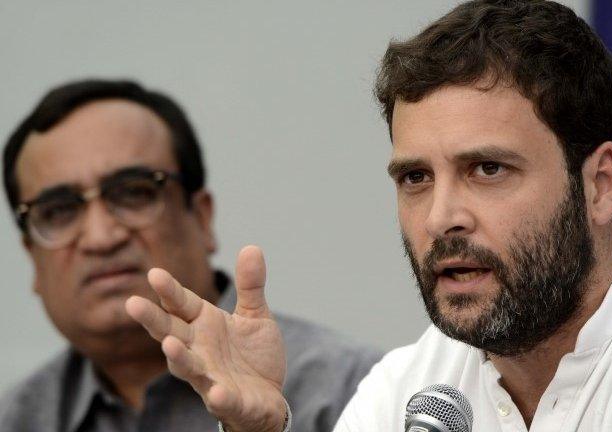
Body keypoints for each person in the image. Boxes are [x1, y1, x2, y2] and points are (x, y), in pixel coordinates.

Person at [126, 1, 612, 431]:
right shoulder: (412, 384)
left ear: (600, 184)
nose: (440, 218)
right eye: (415, 178)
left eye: (488, 169)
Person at [0, 79, 381, 432]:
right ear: (32, 257)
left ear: (201, 218)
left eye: (133, 192)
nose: (100, 238)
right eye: (59, 211)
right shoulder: (16, 419)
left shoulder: (358, 390)